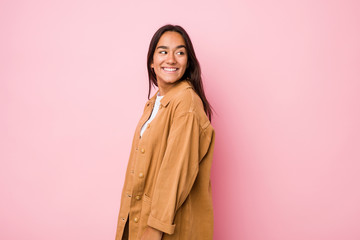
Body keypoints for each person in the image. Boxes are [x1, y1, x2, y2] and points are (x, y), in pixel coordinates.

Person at [115, 24, 215, 240]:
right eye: (163, 52)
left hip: (164, 230)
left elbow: (176, 170)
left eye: (180, 52)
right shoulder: (153, 104)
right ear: (152, 61)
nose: (171, 59)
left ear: (187, 62)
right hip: (136, 221)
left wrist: (154, 228)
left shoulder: (186, 102)